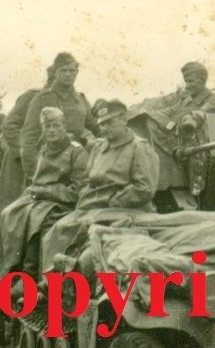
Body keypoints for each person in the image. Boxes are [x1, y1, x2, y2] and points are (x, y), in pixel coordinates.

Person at [40, 99, 160, 270]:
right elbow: (88, 179)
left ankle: (70, 278)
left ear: (123, 120)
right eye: (102, 124)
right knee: (57, 230)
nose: (104, 128)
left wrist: (108, 201)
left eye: (109, 123)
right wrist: (87, 196)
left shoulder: (139, 147)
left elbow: (144, 189)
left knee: (80, 235)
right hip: (95, 207)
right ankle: (52, 280)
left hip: (128, 209)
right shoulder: (99, 147)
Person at [0, 107, 88, 279]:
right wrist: (33, 193)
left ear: (64, 127)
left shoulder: (76, 151)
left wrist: (46, 192)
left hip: (62, 202)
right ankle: (6, 272)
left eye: (56, 126)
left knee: (36, 219)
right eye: (47, 126)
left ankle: (30, 273)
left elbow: (78, 190)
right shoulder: (45, 149)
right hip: (40, 199)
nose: (51, 130)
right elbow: (38, 181)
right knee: (9, 213)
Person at [131, 61, 212, 212]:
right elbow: (169, 111)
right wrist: (153, 116)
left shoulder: (210, 101)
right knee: (148, 122)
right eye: (186, 81)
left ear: (202, 80)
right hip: (175, 137)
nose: (188, 85)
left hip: (192, 142)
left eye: (191, 81)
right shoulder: (186, 99)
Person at [20, 52, 98, 183]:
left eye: (71, 71)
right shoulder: (42, 99)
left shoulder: (80, 100)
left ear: (77, 73)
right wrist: (33, 174)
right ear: (56, 72)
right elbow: (29, 138)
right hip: (50, 166)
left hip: (77, 163)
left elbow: (96, 127)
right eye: (63, 70)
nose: (68, 74)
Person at [0, 69, 54, 216]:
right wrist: (27, 152)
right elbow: (9, 126)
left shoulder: (67, 101)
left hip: (48, 160)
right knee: (11, 210)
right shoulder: (32, 97)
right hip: (20, 161)